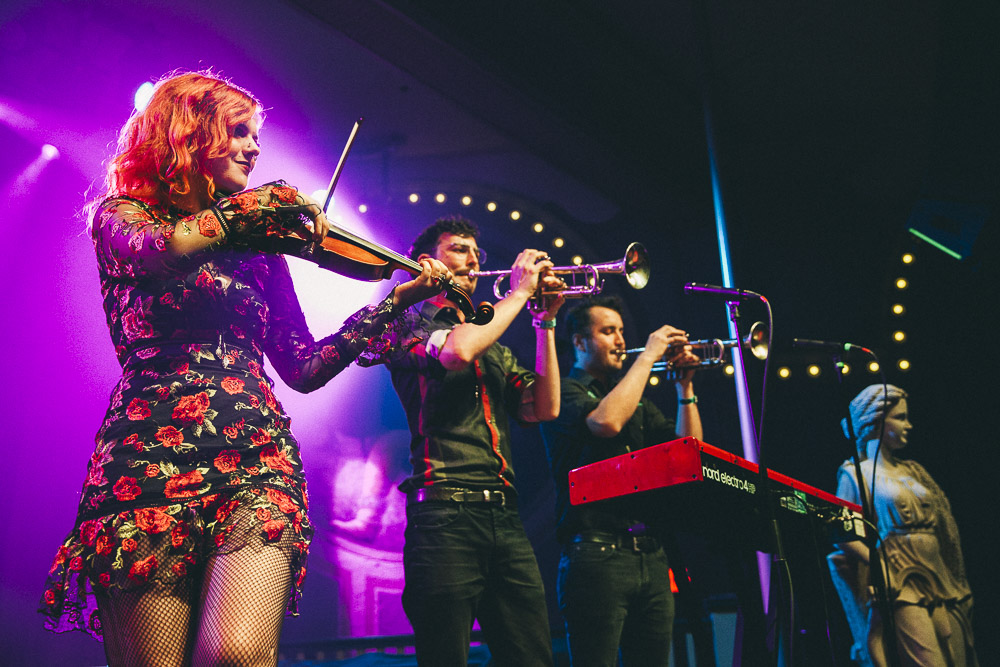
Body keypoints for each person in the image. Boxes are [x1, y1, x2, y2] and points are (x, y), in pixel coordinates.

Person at [38, 70, 450, 667]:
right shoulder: (120, 217)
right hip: (145, 463)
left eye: (255, 136)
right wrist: (244, 214)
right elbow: (163, 252)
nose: (255, 148)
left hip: (256, 460)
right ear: (188, 134)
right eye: (238, 132)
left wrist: (392, 304)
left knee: (237, 653)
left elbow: (302, 365)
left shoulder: (260, 249)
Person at [380, 216, 565, 666]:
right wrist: (521, 292)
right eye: (460, 249)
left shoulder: (494, 344)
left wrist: (544, 324)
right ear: (428, 262)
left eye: (477, 253)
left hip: (504, 514)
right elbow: (457, 352)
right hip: (444, 516)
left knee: (532, 657)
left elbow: (544, 408)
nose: (474, 261)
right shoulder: (405, 322)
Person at [539, 296, 703, 667]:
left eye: (621, 332)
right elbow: (606, 423)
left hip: (651, 554)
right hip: (596, 557)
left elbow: (687, 455)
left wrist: (685, 391)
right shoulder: (563, 390)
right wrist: (648, 355)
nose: (619, 340)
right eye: (607, 331)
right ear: (580, 342)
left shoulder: (633, 398)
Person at [833, 384, 977, 667]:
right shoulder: (855, 474)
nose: (908, 425)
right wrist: (878, 564)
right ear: (875, 420)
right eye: (900, 418)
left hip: (938, 573)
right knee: (929, 662)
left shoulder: (913, 471)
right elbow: (841, 532)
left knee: (957, 659)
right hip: (901, 577)